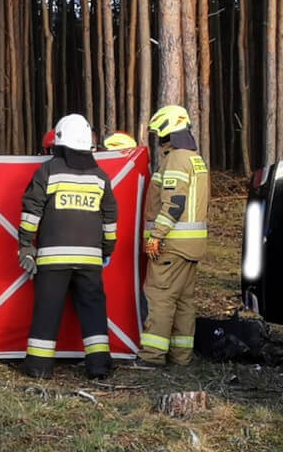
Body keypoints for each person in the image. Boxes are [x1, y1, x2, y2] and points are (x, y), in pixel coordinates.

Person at [17, 113, 118, 380]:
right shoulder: (100, 176)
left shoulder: (48, 171)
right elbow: (110, 218)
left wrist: (26, 244)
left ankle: (39, 368)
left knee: (47, 311)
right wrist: (107, 250)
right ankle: (98, 366)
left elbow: (31, 211)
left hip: (52, 259)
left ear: (59, 142)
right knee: (94, 311)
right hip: (90, 260)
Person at [136, 104, 210, 369]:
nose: (159, 139)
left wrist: (156, 235)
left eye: (160, 134)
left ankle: (152, 357)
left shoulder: (177, 158)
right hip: (191, 246)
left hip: (173, 244)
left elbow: (174, 202)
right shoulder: (194, 158)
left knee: (160, 297)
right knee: (183, 302)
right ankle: (181, 357)